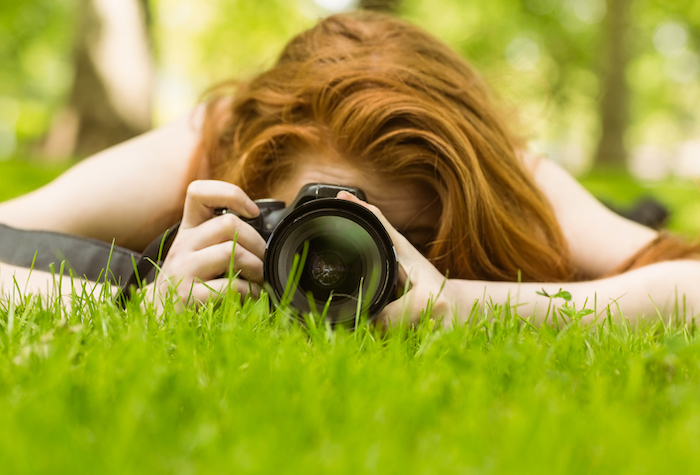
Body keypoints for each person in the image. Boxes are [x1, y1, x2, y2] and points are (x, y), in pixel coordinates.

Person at [0, 11, 698, 326]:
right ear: (249, 188)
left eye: (410, 237)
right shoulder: (209, 150)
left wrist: (457, 302)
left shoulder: (504, 177)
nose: (355, 263)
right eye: (315, 227)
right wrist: (142, 300)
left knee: (627, 231)